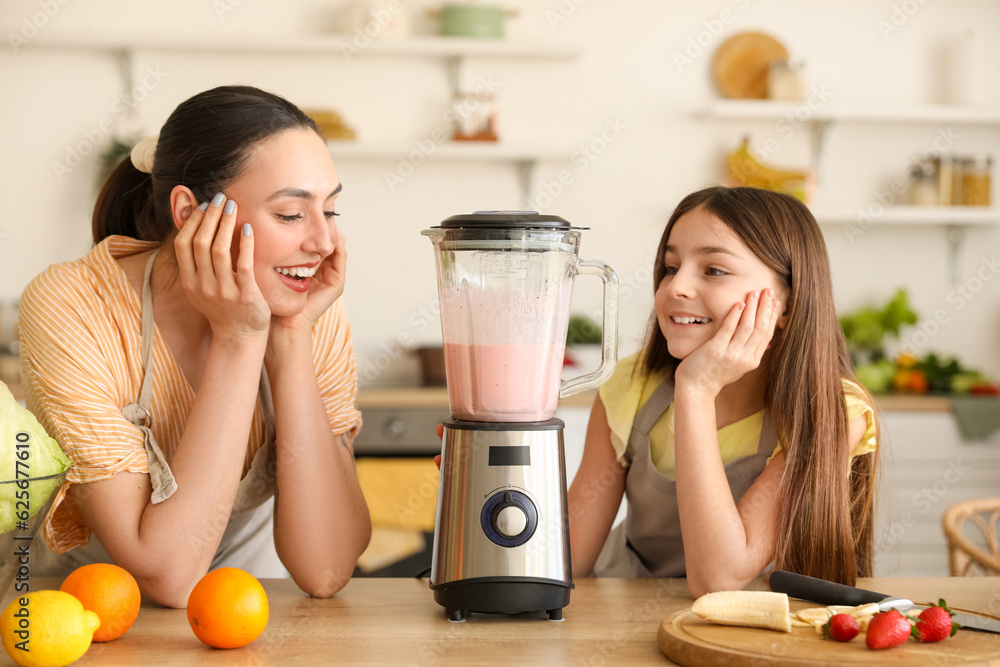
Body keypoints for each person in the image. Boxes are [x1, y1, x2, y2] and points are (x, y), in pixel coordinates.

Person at [19, 85, 371, 607]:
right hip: (85, 611)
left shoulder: (306, 305)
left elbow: (325, 569)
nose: (321, 243)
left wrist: (290, 339)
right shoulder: (72, 304)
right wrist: (239, 338)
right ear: (189, 212)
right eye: (292, 215)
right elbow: (166, 577)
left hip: (244, 610)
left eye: (331, 210)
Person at [568, 186, 879, 597]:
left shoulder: (832, 412)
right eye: (670, 267)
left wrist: (695, 390)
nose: (676, 287)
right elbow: (563, 561)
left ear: (786, 304)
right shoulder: (630, 385)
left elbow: (718, 579)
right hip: (624, 620)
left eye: (714, 270)